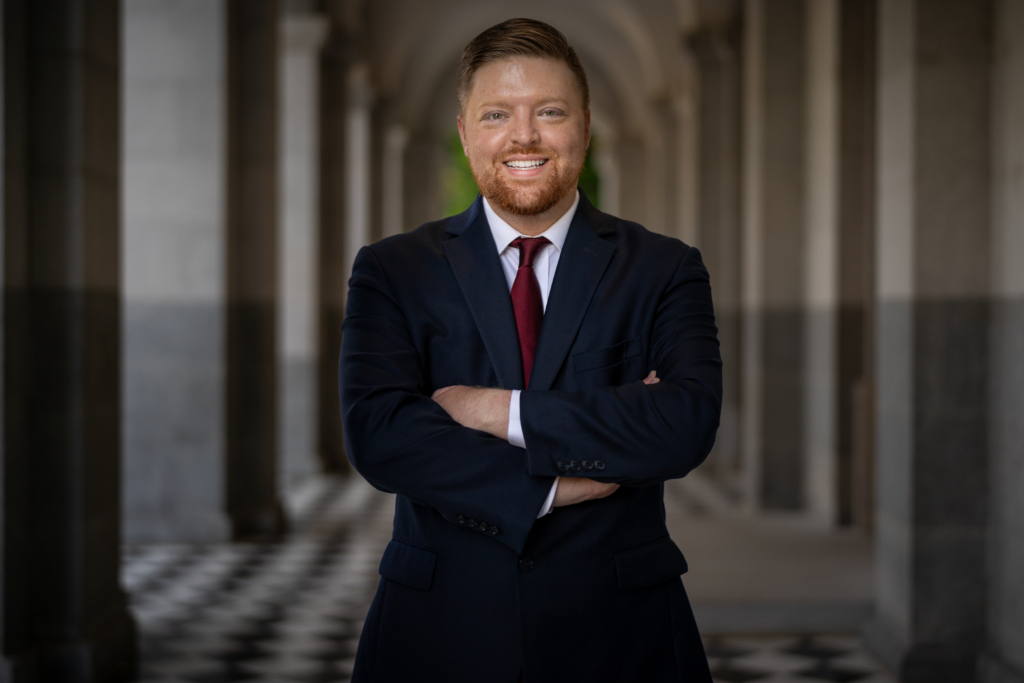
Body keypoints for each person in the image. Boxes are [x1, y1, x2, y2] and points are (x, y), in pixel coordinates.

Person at [340, 17, 721, 683]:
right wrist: (553, 485)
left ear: (586, 124)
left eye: (549, 111)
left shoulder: (663, 268)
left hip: (624, 637)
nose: (523, 136)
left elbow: (685, 423)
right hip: (437, 632)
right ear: (464, 132)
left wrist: (498, 410)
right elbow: (380, 435)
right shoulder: (392, 271)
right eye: (496, 114)